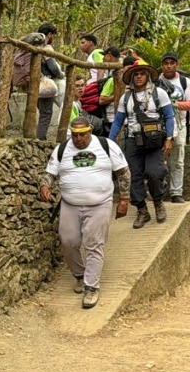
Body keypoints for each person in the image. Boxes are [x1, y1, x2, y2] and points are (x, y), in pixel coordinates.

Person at [39, 117, 131, 309]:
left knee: (94, 243)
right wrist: (45, 186)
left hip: (100, 204)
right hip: (70, 204)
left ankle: (91, 287)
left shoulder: (106, 146)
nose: (78, 139)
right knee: (68, 242)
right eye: (75, 135)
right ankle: (80, 275)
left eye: (82, 134)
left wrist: (124, 199)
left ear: (90, 131)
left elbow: (123, 172)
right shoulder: (62, 149)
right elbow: (49, 173)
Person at [109, 61, 175, 229]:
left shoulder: (159, 93)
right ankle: (142, 210)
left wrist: (169, 138)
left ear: (147, 76)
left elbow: (169, 116)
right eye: (136, 74)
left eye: (142, 74)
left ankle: (158, 202)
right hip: (133, 140)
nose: (138, 77)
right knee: (133, 176)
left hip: (154, 140)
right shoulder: (125, 98)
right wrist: (109, 142)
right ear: (132, 78)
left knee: (154, 172)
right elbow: (118, 122)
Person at [159, 52, 189, 203]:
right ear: (162, 66)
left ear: (177, 65)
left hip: (180, 125)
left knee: (177, 161)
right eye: (166, 63)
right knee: (158, 159)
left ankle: (176, 192)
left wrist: (173, 105)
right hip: (159, 126)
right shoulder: (156, 81)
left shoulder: (185, 82)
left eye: (172, 63)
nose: (169, 66)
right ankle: (158, 191)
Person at [37, 24, 64, 140]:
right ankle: (41, 139)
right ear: (49, 34)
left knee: (41, 111)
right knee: (46, 113)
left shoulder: (34, 46)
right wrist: (61, 74)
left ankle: (37, 136)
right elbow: (53, 67)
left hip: (33, 83)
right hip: (44, 84)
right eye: (53, 35)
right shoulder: (46, 48)